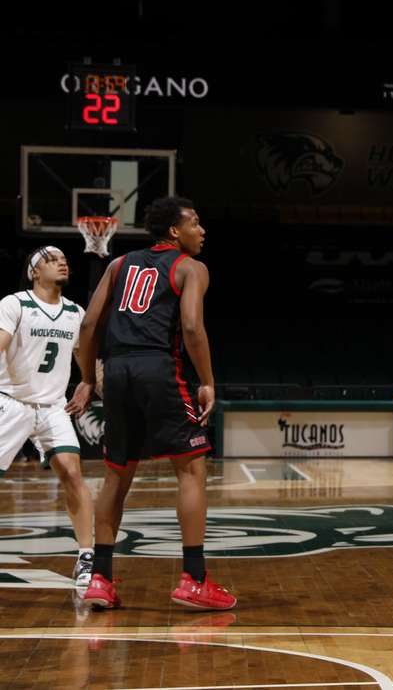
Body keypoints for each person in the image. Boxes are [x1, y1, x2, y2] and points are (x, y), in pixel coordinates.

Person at [71, 197, 235, 611]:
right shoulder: (190, 267)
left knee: (116, 476)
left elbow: (88, 324)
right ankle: (194, 578)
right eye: (196, 222)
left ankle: (100, 580)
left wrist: (89, 378)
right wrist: (208, 382)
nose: (203, 230)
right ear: (175, 232)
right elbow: (193, 327)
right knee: (192, 468)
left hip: (118, 370)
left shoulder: (118, 264)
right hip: (158, 368)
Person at [0, 247, 95, 588]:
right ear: (34, 272)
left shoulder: (74, 312)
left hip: (53, 407)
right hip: (12, 402)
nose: (62, 261)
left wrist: (88, 382)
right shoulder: (15, 304)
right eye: (52, 258)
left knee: (72, 472)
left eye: (64, 259)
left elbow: (84, 355)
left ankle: (87, 558)